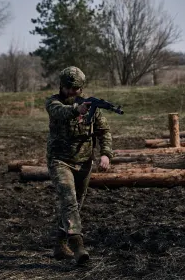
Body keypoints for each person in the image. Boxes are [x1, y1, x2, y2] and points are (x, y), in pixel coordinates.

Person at [45, 66, 113, 265]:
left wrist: (106, 154)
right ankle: (77, 244)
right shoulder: (53, 102)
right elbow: (59, 112)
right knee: (68, 199)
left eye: (76, 89)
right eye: (69, 88)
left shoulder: (92, 106)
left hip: (84, 162)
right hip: (60, 160)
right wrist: (77, 110)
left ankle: (59, 244)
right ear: (61, 86)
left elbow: (104, 131)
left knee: (75, 205)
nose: (73, 92)